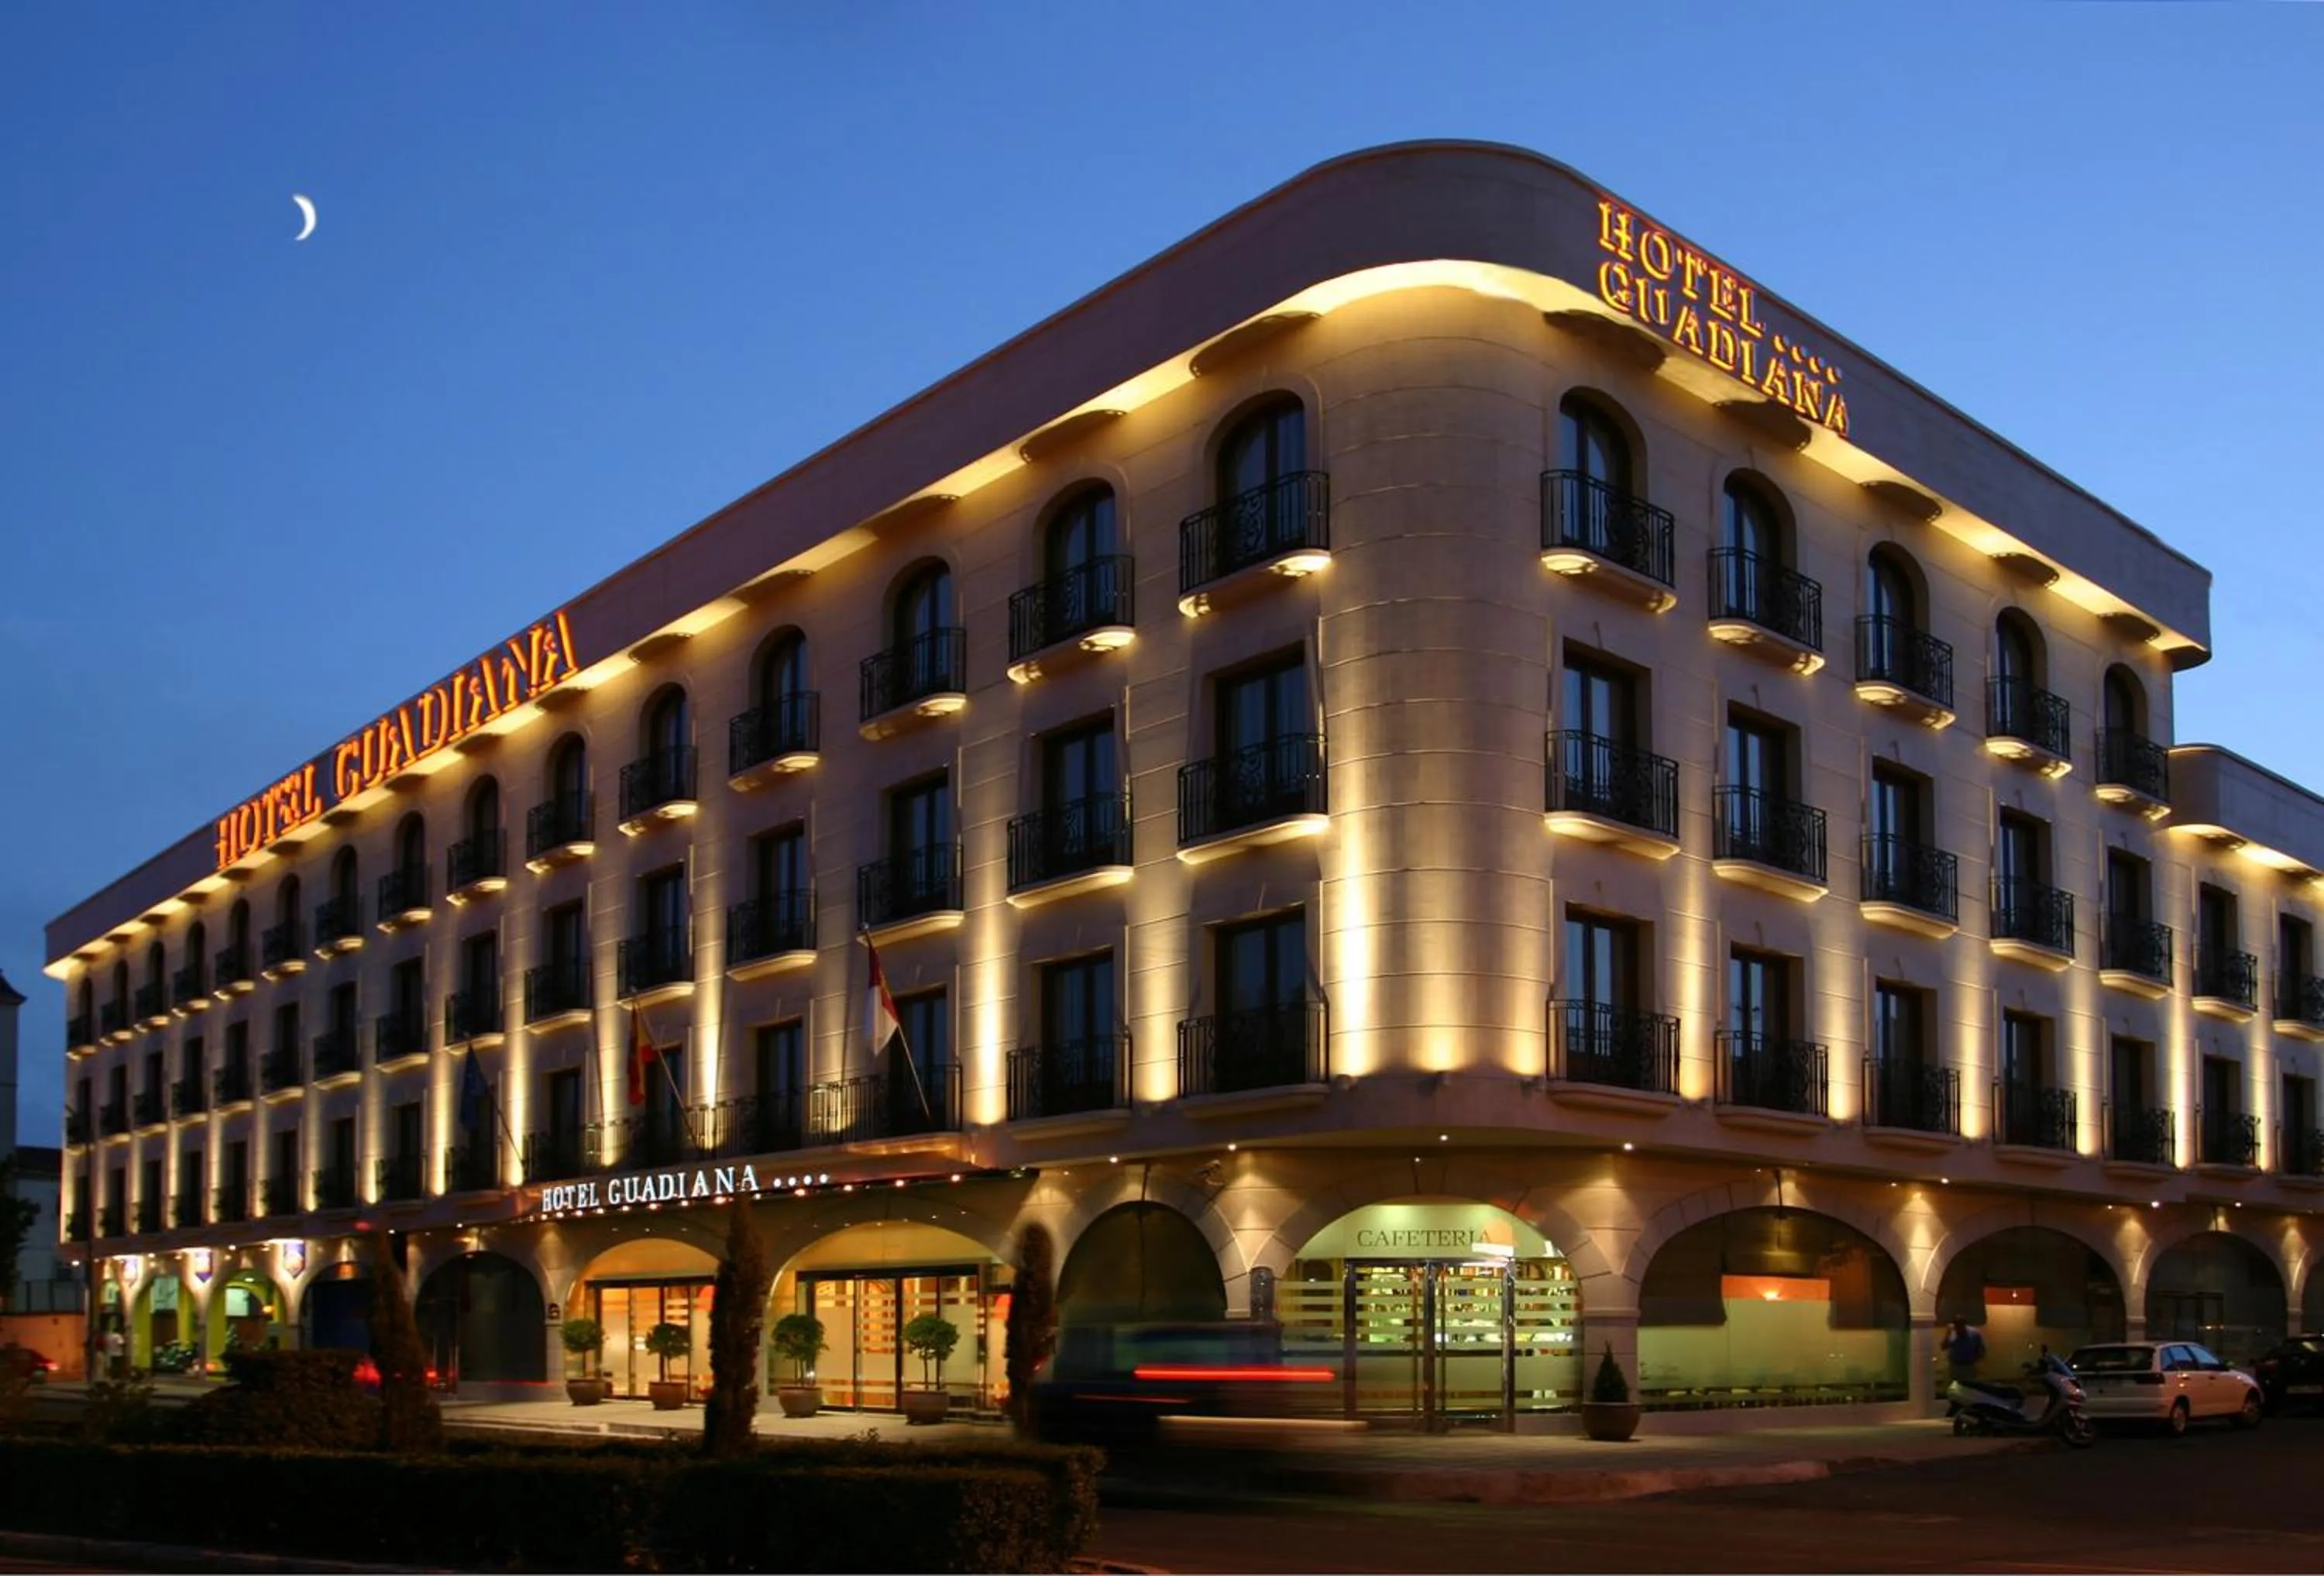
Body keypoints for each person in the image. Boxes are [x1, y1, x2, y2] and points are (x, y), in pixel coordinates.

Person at [1941, 1317, 1985, 1385]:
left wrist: (1975, 1362)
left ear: (1964, 1324)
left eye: (1960, 1325)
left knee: (1969, 1386)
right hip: (1955, 1366)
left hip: (1969, 1366)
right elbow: (1943, 1347)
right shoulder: (1952, 1334)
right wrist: (1948, 1334)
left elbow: (1981, 1350)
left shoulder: (1974, 1334)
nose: (1958, 1329)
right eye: (1956, 1326)